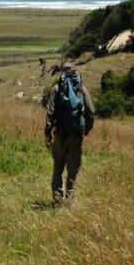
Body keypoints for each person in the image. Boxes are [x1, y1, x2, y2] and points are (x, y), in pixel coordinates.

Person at [44, 62, 95, 204]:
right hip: (75, 137)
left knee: (58, 168)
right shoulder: (82, 89)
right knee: (73, 172)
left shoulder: (57, 88)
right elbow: (91, 112)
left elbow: (50, 113)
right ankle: (70, 203)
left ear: (63, 73)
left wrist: (48, 133)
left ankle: (57, 200)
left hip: (59, 135)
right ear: (75, 73)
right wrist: (87, 130)